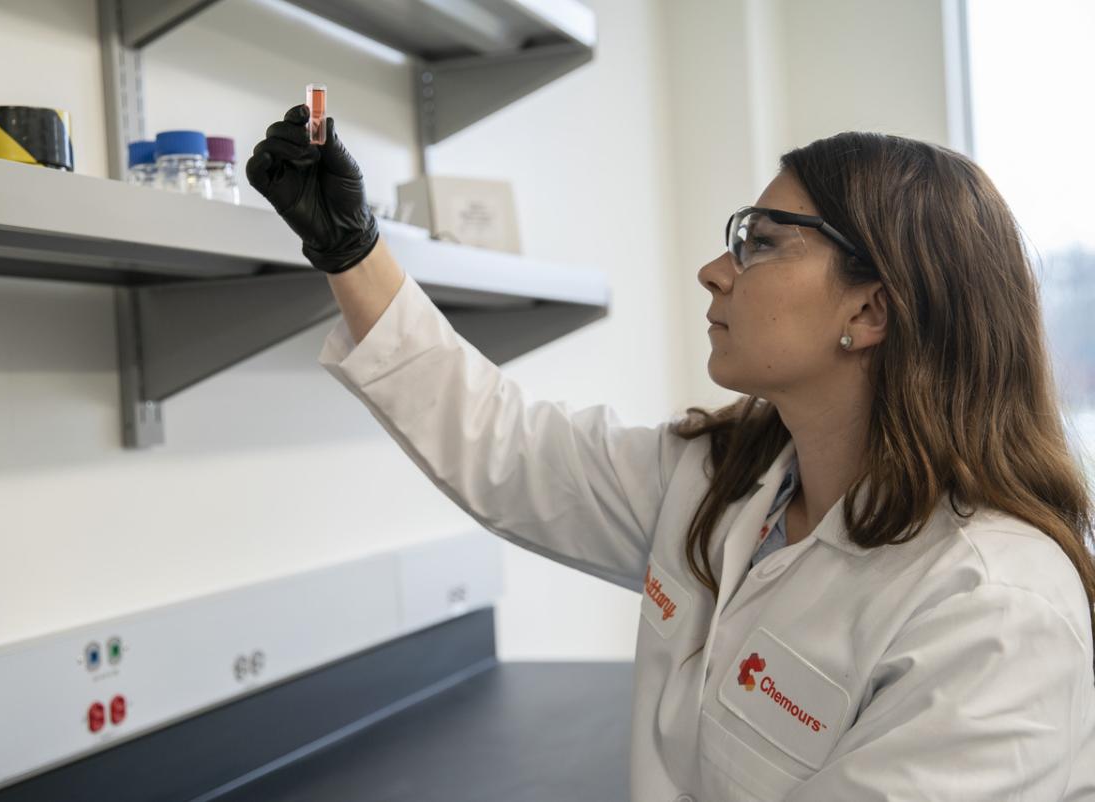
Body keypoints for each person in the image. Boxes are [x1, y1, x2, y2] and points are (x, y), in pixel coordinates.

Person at [247, 104, 1095, 801]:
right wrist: (351, 252)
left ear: (870, 313)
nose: (713, 271)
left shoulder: (993, 609)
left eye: (762, 242)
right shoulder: (725, 479)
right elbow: (505, 445)